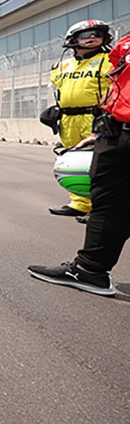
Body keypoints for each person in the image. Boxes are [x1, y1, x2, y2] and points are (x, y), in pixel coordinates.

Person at [27, 29, 130, 297]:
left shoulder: (107, 55)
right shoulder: (124, 43)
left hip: (113, 126)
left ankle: (90, 269)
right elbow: (119, 84)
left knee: (111, 202)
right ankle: (90, 269)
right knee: (111, 202)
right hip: (114, 126)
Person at [46, 20, 113, 221]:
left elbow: (115, 89)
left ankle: (101, 208)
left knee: (102, 164)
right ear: (73, 40)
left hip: (97, 117)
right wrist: (55, 110)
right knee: (74, 163)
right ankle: (80, 204)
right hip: (68, 120)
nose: (92, 38)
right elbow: (59, 89)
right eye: (86, 35)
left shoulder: (110, 60)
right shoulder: (62, 65)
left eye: (97, 34)